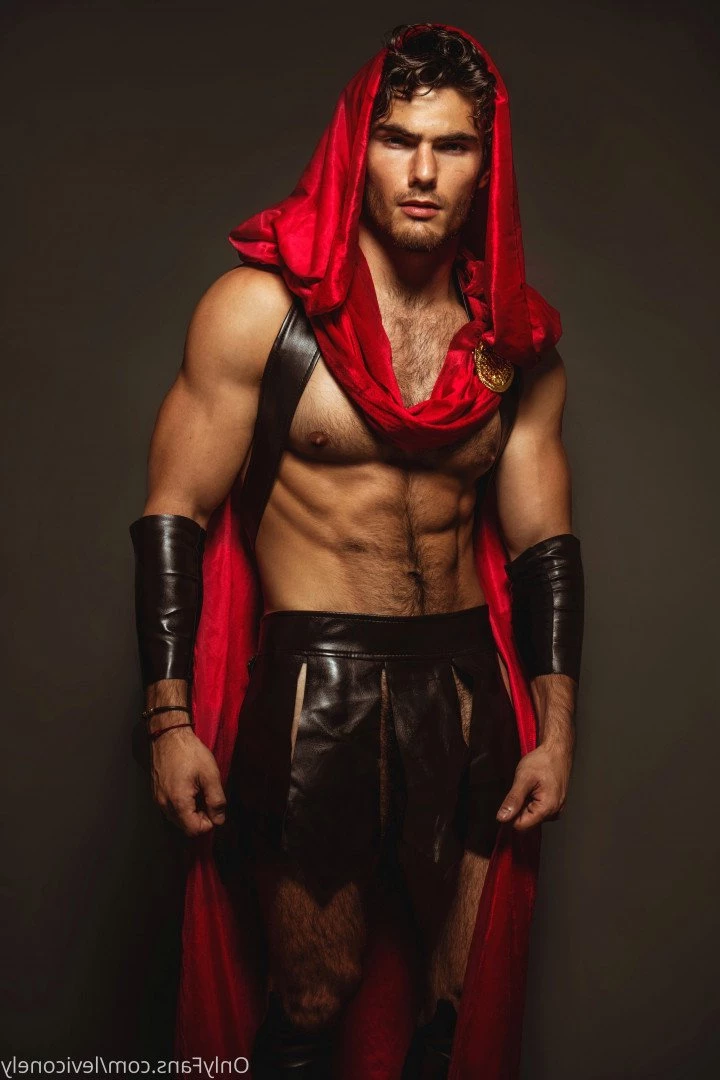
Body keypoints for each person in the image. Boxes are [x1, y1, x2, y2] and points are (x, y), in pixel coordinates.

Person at [129, 22, 584, 1080]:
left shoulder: (513, 347)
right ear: (356, 149)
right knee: (311, 997)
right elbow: (175, 514)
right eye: (398, 140)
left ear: (485, 164)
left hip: (465, 687)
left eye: (452, 145)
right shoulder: (258, 313)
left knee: (453, 1003)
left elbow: (544, 545)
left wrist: (559, 730)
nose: (423, 173)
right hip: (314, 689)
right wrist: (168, 722)